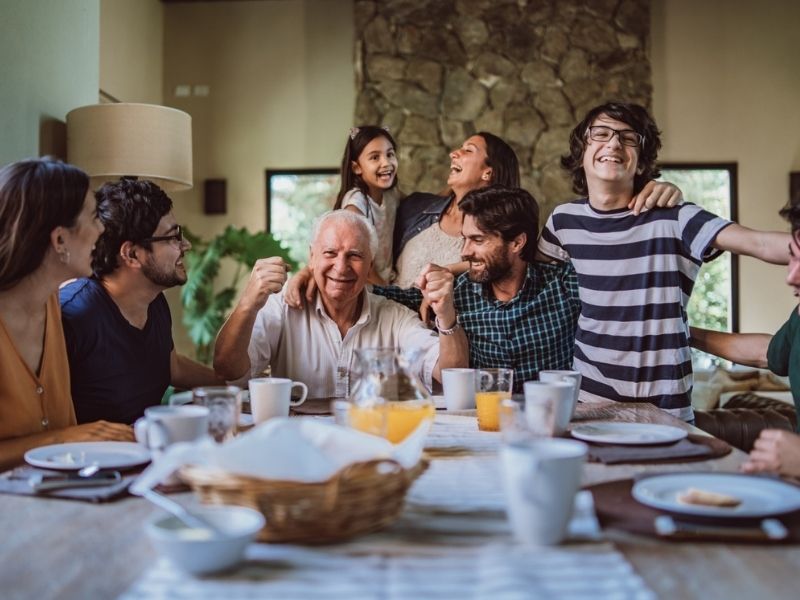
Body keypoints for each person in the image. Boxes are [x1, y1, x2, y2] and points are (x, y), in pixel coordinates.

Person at [538, 101, 790, 421]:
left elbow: (761, 242)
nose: (613, 143)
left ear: (641, 163)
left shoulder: (677, 217)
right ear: (581, 152)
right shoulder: (562, 221)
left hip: (666, 408)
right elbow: (524, 274)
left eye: (628, 138)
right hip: (589, 401)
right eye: (600, 134)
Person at [213, 210, 468, 398]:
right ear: (311, 258)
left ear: (370, 264)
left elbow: (451, 375)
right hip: (301, 449)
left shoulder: (395, 317)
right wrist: (248, 304)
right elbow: (229, 370)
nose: (341, 266)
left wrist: (445, 313)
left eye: (355, 255)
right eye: (330, 253)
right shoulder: (282, 307)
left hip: (373, 448)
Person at [373, 185, 580, 392]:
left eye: (477, 240)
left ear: (517, 242)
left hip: (551, 417)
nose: (464, 252)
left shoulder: (562, 285)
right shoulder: (456, 292)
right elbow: (387, 296)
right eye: (465, 238)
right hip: (481, 421)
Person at [0, 158, 132, 470]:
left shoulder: (51, 304)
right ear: (60, 240)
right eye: (93, 216)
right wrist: (66, 438)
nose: (101, 228)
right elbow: (63, 438)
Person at [60, 179, 222, 425]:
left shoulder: (154, 300)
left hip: (150, 452)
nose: (185, 245)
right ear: (132, 254)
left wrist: (235, 386)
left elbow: (172, 367)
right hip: (92, 460)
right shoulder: (74, 314)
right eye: (173, 237)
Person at [333, 125, 402, 285]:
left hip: (387, 282)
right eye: (375, 157)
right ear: (356, 167)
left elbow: (423, 205)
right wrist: (390, 294)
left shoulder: (391, 195)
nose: (386, 163)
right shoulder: (356, 203)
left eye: (390, 154)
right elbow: (358, 262)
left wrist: (452, 189)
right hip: (365, 286)